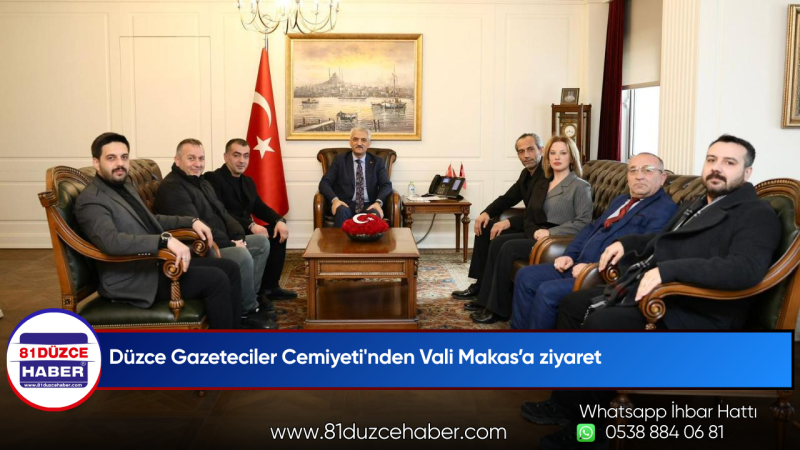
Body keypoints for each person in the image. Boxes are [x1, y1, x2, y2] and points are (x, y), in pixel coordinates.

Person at [523, 134, 781, 450]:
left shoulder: (755, 213)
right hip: (664, 295)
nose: (717, 168)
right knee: (572, 304)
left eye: (729, 162)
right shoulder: (698, 204)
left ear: (747, 172)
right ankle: (566, 404)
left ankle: (589, 432)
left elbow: (744, 270)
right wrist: (626, 243)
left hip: (698, 310)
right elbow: (663, 239)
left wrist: (668, 271)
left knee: (599, 323)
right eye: (711, 160)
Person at [75, 132, 242, 329]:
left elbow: (151, 220)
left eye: (124, 157)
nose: (120, 163)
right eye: (111, 158)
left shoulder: (124, 186)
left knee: (230, 268)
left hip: (154, 264)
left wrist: (192, 221)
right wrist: (164, 240)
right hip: (130, 278)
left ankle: (234, 335)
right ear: (96, 162)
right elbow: (112, 242)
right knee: (216, 279)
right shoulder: (92, 200)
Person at [510, 152, 677, 330]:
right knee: (526, 275)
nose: (639, 176)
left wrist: (594, 268)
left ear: (662, 177)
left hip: (602, 275)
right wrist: (569, 255)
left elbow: (646, 250)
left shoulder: (664, 208)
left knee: (547, 291)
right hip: (576, 264)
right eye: (633, 170)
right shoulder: (622, 200)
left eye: (648, 170)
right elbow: (591, 228)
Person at [153, 138, 277, 329]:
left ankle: (247, 299)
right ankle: (247, 312)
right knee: (241, 255)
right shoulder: (173, 187)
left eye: (201, 158)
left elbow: (223, 213)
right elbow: (195, 229)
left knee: (261, 243)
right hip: (196, 248)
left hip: (219, 240)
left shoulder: (201, 182)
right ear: (177, 160)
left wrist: (238, 236)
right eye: (191, 158)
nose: (198, 164)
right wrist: (231, 244)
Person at [469, 135, 593, 324]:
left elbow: (584, 222)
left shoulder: (580, 186)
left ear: (571, 157)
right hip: (536, 232)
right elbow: (529, 211)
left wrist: (550, 233)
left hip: (556, 240)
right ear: (547, 156)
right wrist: (527, 228)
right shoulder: (544, 183)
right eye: (553, 153)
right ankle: (485, 300)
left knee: (508, 247)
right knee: (499, 241)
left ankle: (497, 309)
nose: (557, 157)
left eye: (562, 153)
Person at [452, 133, 548, 303]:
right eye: (521, 151)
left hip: (539, 228)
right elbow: (507, 198)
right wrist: (486, 213)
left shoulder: (547, 175)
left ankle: (487, 294)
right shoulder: (526, 174)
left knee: (498, 238)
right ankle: (480, 284)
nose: (526, 155)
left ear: (541, 150)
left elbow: (539, 212)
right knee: (485, 227)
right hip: (527, 223)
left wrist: (508, 222)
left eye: (530, 149)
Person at [205, 138, 297, 301]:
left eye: (246, 156)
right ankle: (253, 294)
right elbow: (220, 212)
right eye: (236, 155)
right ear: (226, 157)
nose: (242, 160)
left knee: (277, 232)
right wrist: (251, 225)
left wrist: (279, 220)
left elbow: (259, 207)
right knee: (264, 234)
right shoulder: (213, 178)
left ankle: (270, 287)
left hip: (245, 228)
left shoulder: (247, 181)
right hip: (227, 231)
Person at [318, 127, 392, 227]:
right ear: (350, 142)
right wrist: (335, 200)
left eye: (363, 140)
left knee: (374, 213)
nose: (359, 143)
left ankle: (369, 238)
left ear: (369, 143)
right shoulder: (340, 160)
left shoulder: (377, 161)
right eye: (355, 139)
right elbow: (324, 183)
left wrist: (378, 202)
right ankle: (340, 238)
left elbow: (386, 185)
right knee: (341, 211)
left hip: (369, 205)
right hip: (345, 204)